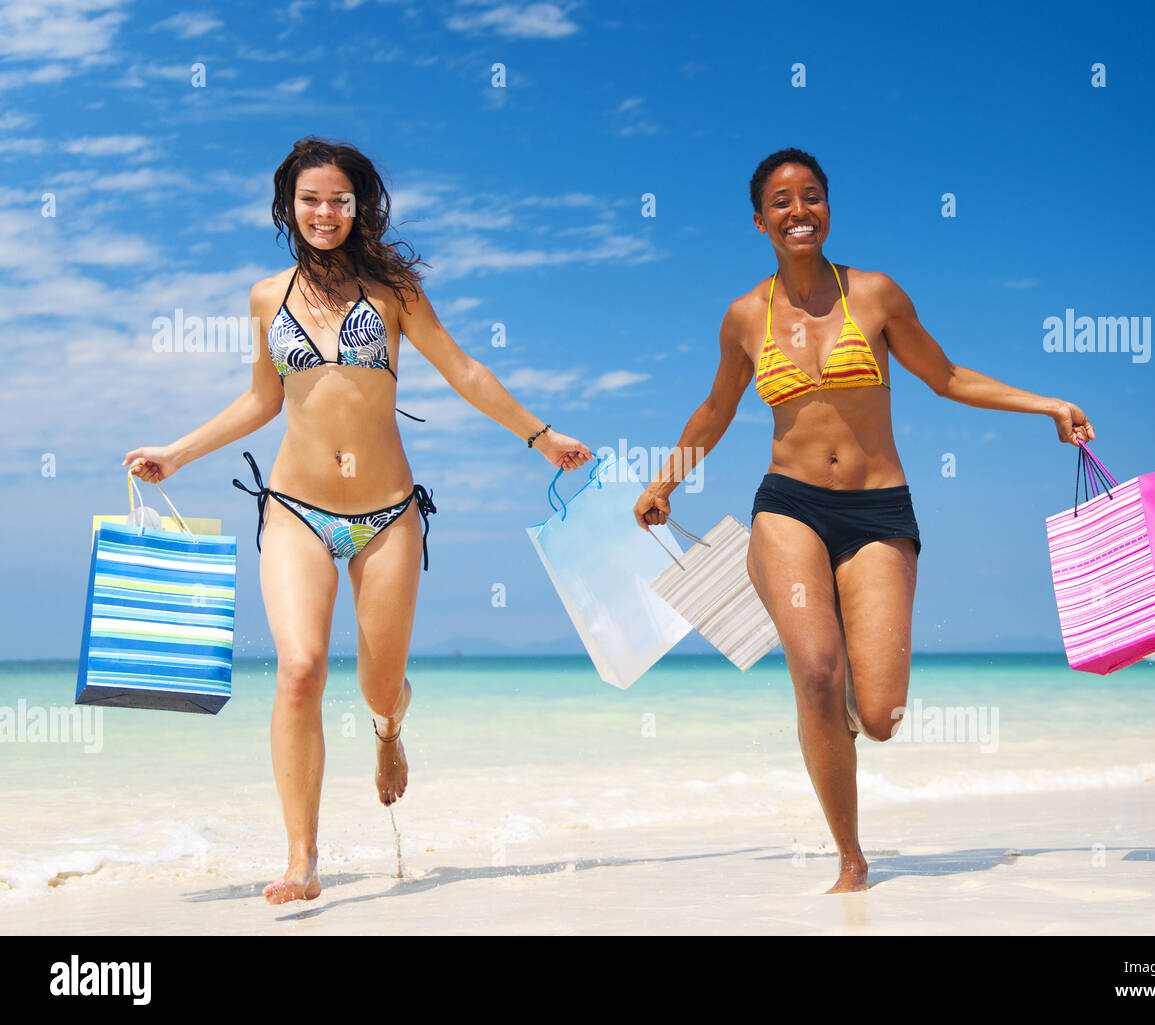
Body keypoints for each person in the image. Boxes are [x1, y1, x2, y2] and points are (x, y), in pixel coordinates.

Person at [123, 137, 592, 904]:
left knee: (379, 687)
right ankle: (302, 857)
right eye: (311, 198)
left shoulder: (394, 291)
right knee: (301, 668)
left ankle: (389, 729)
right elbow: (261, 400)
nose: (325, 212)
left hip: (388, 514)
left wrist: (540, 436)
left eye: (340, 199)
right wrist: (178, 453)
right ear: (289, 205)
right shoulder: (265, 297)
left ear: (360, 207)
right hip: (295, 509)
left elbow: (464, 369)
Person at [633, 148, 1094, 894]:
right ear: (759, 221)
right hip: (789, 507)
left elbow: (946, 376)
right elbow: (716, 409)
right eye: (781, 202)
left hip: (879, 511)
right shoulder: (744, 317)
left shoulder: (874, 295)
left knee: (878, 715)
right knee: (816, 672)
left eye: (810, 197)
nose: (798, 212)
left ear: (828, 208)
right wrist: (664, 481)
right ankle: (851, 856)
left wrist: (1048, 403)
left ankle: (845, 689)